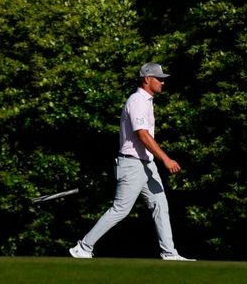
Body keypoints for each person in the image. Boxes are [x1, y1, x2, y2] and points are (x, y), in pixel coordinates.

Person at [68, 62, 194, 261]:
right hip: (133, 164)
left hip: (146, 164)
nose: (163, 83)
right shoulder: (136, 100)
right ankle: (83, 247)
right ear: (147, 79)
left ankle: (169, 253)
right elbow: (142, 135)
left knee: (160, 205)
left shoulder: (147, 101)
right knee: (120, 210)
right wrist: (166, 159)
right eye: (159, 79)